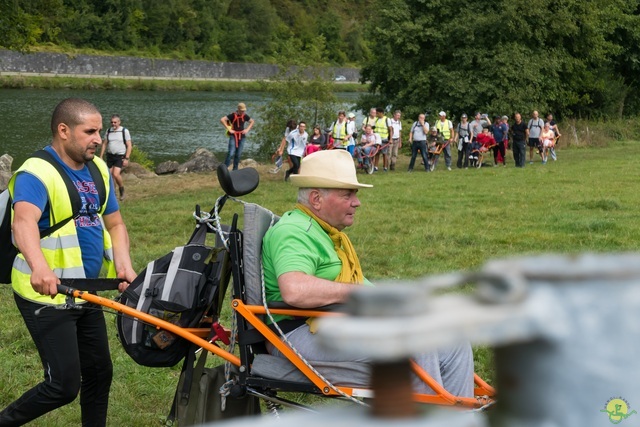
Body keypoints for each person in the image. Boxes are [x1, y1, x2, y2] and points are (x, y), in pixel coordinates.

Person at [262, 150, 474, 397]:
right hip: (298, 334)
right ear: (317, 199)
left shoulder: (325, 232)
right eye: (347, 194)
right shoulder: (294, 231)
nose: (357, 202)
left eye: (355, 194)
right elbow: (294, 290)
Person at [0, 98, 136, 426]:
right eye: (89, 131)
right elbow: (23, 223)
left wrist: (124, 264)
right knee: (63, 386)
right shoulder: (36, 171)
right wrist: (40, 268)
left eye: (100, 131)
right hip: (45, 294)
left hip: (85, 291)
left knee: (100, 374)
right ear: (64, 131)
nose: (99, 138)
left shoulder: (99, 169)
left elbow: (115, 223)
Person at [100, 114, 131, 201]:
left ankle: (122, 190)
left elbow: (129, 145)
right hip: (110, 156)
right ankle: (113, 193)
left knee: (115, 174)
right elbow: (105, 143)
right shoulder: (109, 131)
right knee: (110, 175)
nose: (113, 124)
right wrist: (101, 156)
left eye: (115, 122)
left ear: (119, 122)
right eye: (112, 122)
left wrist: (126, 158)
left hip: (120, 156)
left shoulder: (124, 131)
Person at [220, 102, 255, 170]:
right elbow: (222, 120)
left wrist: (247, 129)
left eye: (244, 110)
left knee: (238, 154)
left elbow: (252, 121)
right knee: (231, 153)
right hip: (233, 136)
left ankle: (235, 169)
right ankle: (224, 169)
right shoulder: (232, 115)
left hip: (242, 136)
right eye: (242, 110)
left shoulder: (245, 116)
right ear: (238, 109)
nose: (243, 112)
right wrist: (229, 129)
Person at [373, 107, 392, 172]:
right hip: (377, 139)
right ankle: (376, 167)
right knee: (377, 153)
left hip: (384, 139)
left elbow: (390, 130)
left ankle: (385, 167)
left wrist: (391, 139)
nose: (376, 114)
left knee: (384, 153)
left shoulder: (387, 119)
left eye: (377, 113)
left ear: (381, 113)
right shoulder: (376, 120)